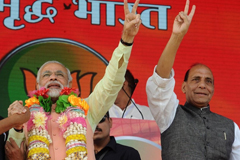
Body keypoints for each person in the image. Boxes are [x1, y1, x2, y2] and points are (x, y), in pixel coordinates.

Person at [7, 0, 142, 159]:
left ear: (70, 83)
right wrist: (15, 124)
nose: (53, 77)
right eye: (46, 75)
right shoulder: (24, 114)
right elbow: (12, 152)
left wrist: (126, 40)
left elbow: (112, 82)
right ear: (37, 85)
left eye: (60, 74)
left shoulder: (88, 110)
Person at [146, 0, 240, 159]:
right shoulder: (170, 114)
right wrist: (177, 36)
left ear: (213, 89)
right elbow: (160, 81)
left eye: (208, 81)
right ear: (184, 87)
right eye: (196, 79)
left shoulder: (231, 127)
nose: (203, 85)